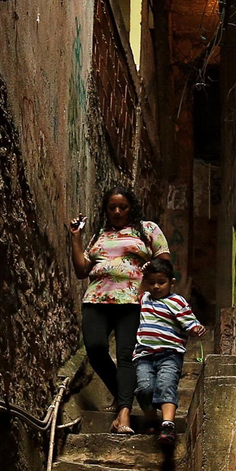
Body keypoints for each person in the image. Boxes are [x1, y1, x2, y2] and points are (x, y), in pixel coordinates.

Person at [68, 186, 170, 434]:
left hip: (132, 300)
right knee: (95, 349)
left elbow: (165, 260)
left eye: (122, 207)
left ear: (130, 208)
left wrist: (147, 275)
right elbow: (82, 270)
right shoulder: (99, 236)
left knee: (126, 355)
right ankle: (121, 392)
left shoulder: (147, 229)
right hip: (96, 298)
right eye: (111, 207)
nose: (116, 211)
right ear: (106, 210)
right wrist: (75, 237)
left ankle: (123, 414)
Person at [132, 257, 203, 446]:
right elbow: (139, 292)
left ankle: (168, 425)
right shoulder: (145, 299)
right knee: (144, 389)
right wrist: (143, 274)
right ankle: (151, 420)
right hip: (144, 355)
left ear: (171, 282)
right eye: (151, 282)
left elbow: (190, 322)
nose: (156, 286)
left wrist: (195, 328)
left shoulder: (177, 301)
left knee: (165, 385)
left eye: (161, 282)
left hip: (170, 355)